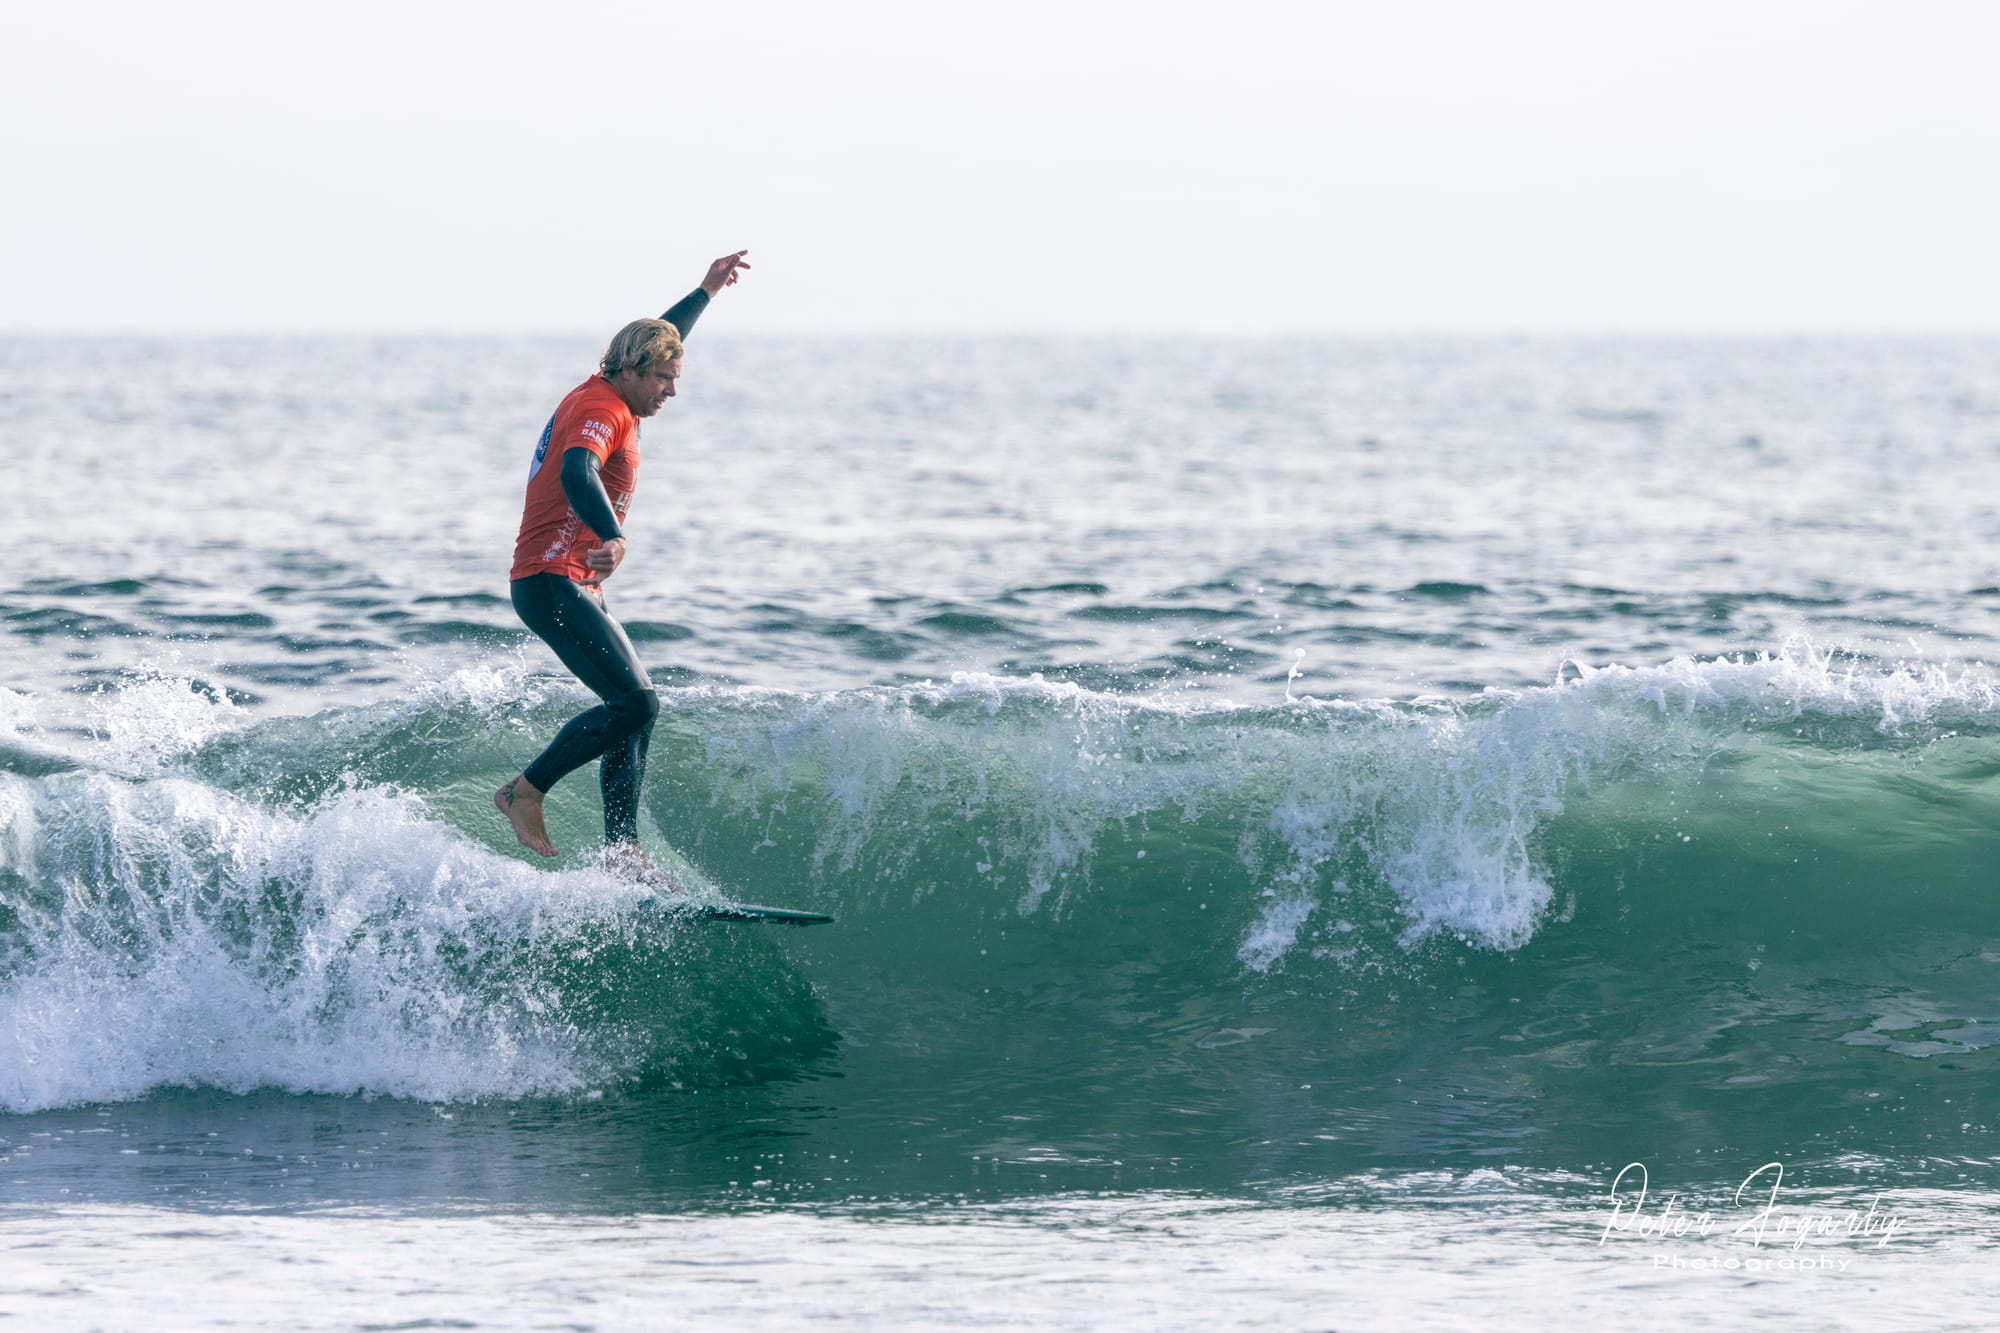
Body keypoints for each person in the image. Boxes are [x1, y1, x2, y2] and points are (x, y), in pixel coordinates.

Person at [494, 250, 750, 882]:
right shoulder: (602, 410)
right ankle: (525, 791)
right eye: (664, 379)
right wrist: (613, 534)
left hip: (571, 579)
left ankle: (622, 854)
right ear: (633, 371)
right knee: (636, 705)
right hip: (552, 578)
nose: (670, 391)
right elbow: (576, 469)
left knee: (634, 707)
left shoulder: (611, 384)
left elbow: (659, 338)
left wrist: (705, 291)